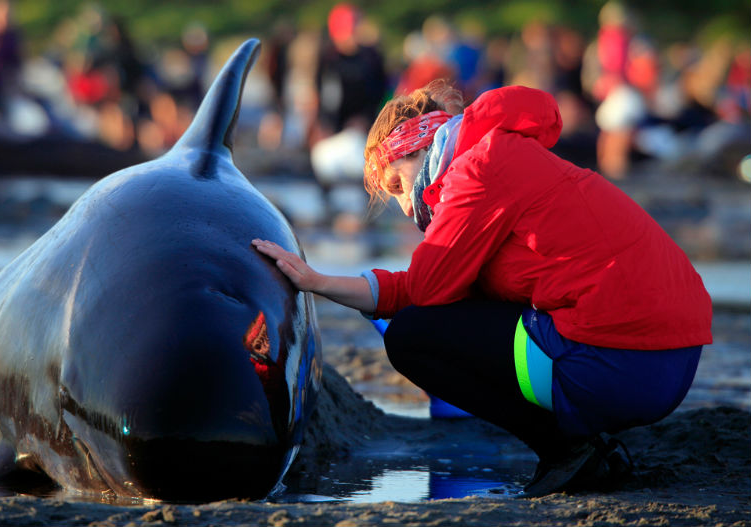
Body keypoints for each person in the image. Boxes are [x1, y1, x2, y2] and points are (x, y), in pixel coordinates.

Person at [252, 79, 712, 497]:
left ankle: (568, 451)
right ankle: (587, 445)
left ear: (416, 149)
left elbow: (426, 292)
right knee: (442, 313)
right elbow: (427, 286)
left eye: (396, 184)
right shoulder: (498, 152)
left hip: (623, 367)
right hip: (672, 358)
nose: (401, 204)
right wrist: (316, 282)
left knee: (411, 339)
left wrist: (330, 284)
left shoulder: (477, 169)